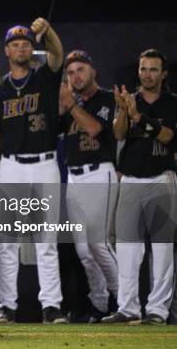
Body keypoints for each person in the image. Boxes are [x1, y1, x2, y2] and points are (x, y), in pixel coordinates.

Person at [0, 21, 68, 324]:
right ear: (7, 50)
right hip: (11, 166)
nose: (21, 48)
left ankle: (51, 306)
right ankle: (6, 306)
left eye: (27, 43)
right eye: (16, 44)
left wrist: (49, 30)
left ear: (33, 49)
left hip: (44, 164)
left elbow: (58, 54)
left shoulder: (44, 78)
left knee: (46, 241)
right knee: (8, 242)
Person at [102, 48, 177, 325]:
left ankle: (157, 310)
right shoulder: (128, 100)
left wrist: (140, 118)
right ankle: (128, 308)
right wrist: (125, 110)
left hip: (162, 178)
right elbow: (119, 133)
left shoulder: (172, 103)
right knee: (128, 249)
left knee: (162, 249)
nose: (147, 74)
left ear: (164, 74)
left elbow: (170, 137)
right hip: (131, 179)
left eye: (153, 69)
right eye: (143, 69)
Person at [59, 50, 119, 322]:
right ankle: (100, 303)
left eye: (80, 69)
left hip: (99, 172)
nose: (75, 76)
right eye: (70, 72)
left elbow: (95, 129)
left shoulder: (106, 98)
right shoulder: (71, 102)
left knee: (99, 244)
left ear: (93, 71)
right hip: (74, 176)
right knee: (84, 251)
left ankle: (123, 300)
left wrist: (71, 105)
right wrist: (64, 104)